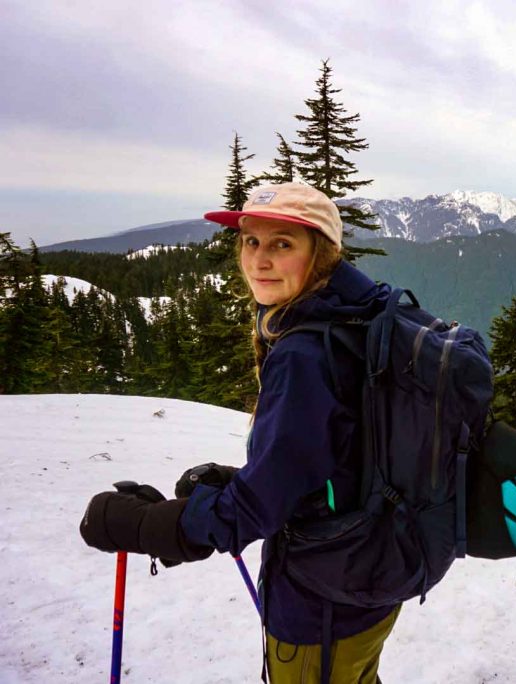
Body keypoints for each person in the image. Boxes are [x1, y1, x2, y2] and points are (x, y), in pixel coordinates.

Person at [80, 182, 401, 684]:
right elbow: (337, 452)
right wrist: (240, 479)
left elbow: (254, 513)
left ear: (322, 255)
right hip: (370, 575)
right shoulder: (358, 318)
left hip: (322, 598)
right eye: (251, 241)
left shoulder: (304, 354)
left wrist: (145, 525)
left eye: (283, 244)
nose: (259, 260)